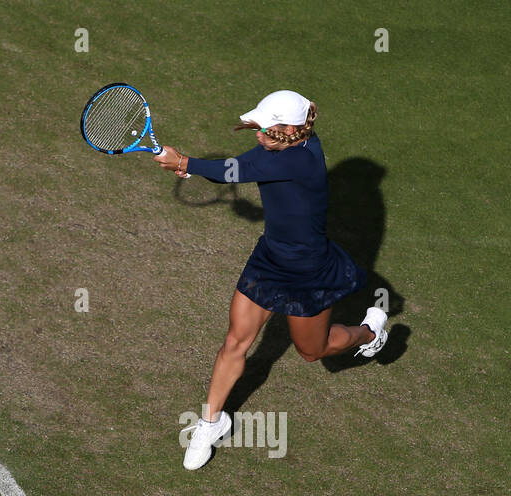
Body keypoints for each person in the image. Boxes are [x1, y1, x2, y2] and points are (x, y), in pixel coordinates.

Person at [155, 90, 388, 470]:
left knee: (313, 352)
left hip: (309, 273)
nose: (257, 133)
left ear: (289, 131)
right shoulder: (286, 146)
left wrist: (184, 161)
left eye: (265, 127)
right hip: (269, 261)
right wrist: (193, 166)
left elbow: (236, 171)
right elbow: (241, 165)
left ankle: (368, 332)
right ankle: (211, 423)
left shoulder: (298, 159)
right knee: (236, 340)